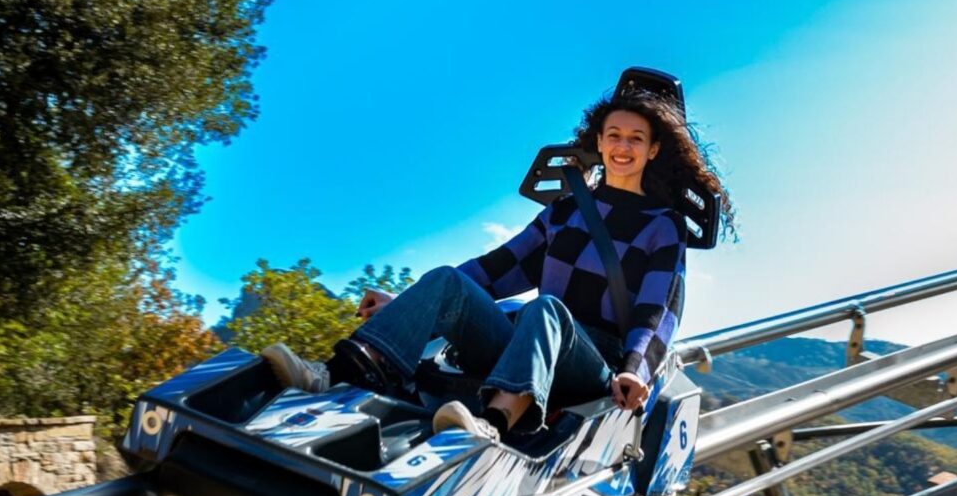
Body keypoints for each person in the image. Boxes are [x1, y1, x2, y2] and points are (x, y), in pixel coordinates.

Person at [262, 86, 733, 441]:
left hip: (592, 363)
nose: (623, 147)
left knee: (546, 309)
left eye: (636, 138)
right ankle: (332, 374)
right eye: (614, 136)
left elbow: (658, 312)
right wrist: (406, 304)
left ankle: (493, 422)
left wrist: (635, 369)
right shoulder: (567, 210)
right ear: (600, 142)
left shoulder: (662, 225)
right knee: (448, 280)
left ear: (652, 150)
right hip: (529, 339)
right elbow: (496, 268)